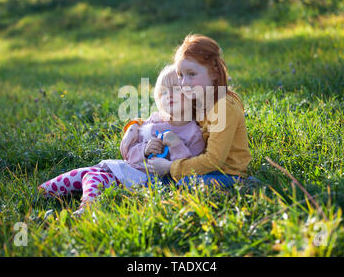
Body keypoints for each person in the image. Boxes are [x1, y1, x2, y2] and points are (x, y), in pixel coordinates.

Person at [38, 65, 205, 216]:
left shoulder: (194, 133)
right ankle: (41, 192)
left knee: (93, 177)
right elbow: (128, 154)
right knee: (83, 172)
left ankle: (87, 208)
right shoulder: (155, 120)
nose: (168, 96)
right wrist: (144, 150)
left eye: (175, 90)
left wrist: (175, 144)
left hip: (143, 181)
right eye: (163, 92)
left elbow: (188, 170)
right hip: (129, 168)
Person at [120, 33, 253, 188]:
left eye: (192, 74)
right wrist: (137, 123)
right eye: (180, 75)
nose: (184, 83)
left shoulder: (224, 107)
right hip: (201, 170)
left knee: (185, 184)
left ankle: (249, 186)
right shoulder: (200, 100)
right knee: (155, 180)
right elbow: (169, 117)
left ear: (214, 73)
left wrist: (171, 167)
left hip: (227, 174)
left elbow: (214, 160)